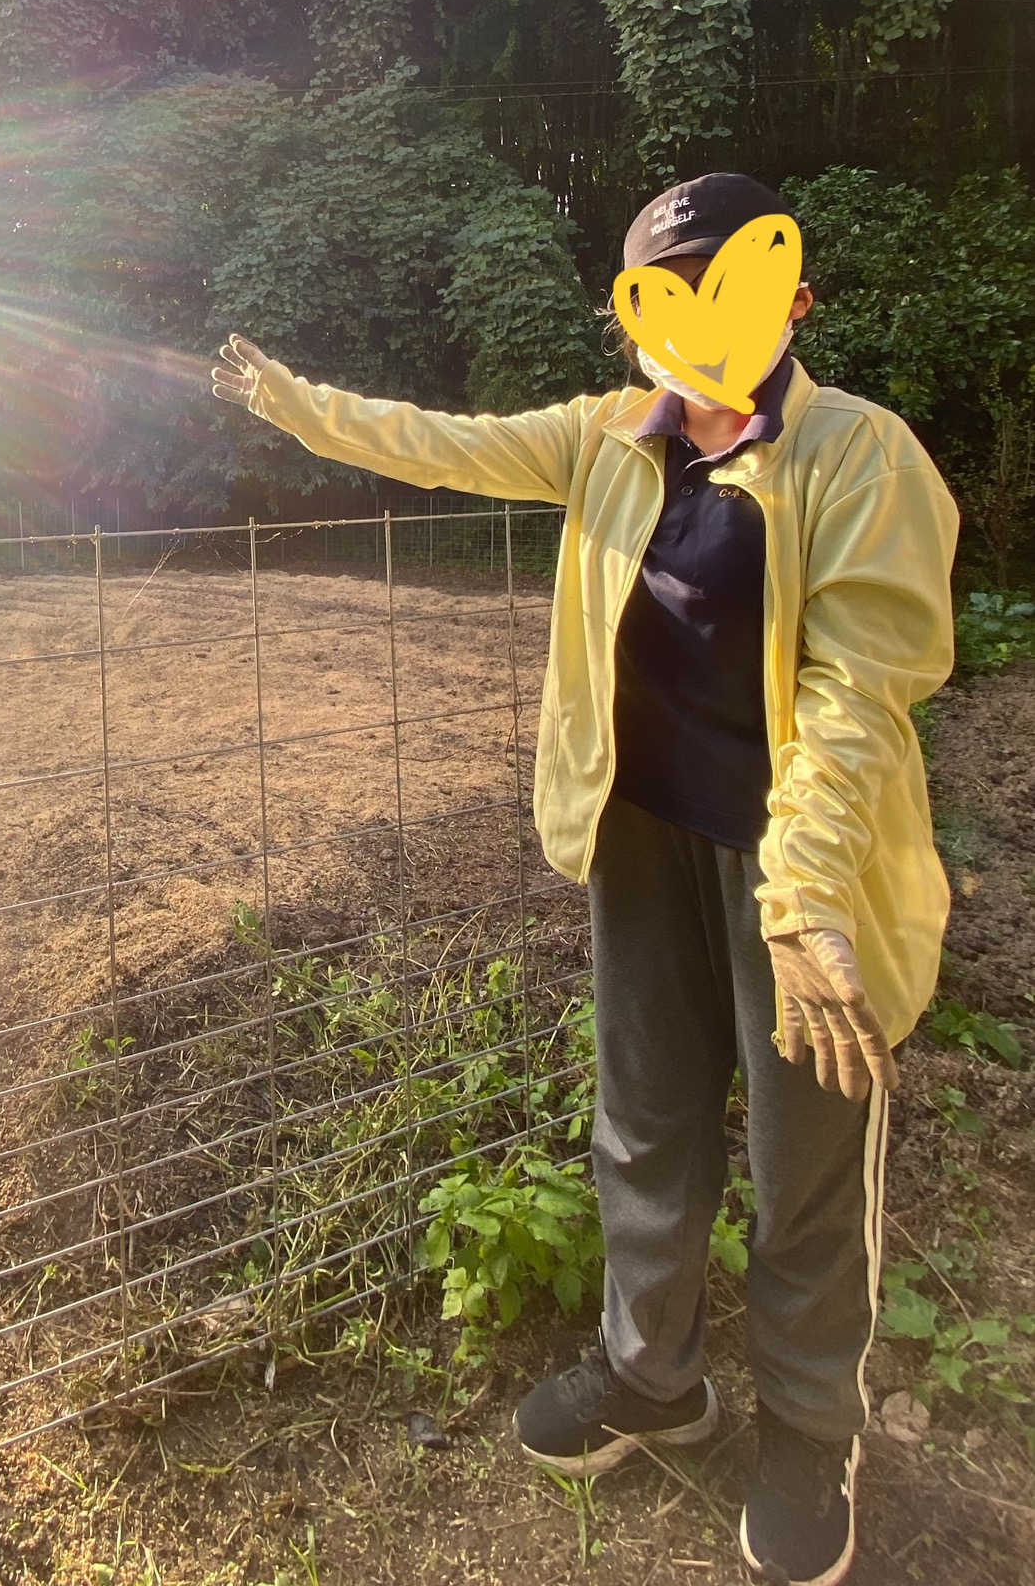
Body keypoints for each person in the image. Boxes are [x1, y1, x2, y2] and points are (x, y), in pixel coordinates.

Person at [211, 172, 958, 1586]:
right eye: (661, 300)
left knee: (805, 1163)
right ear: (636, 320)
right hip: (644, 843)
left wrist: (803, 897)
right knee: (645, 1123)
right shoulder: (611, 437)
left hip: (806, 868)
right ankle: (652, 1377)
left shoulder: (861, 456)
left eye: (725, 290)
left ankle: (812, 1435)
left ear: (793, 302)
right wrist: (299, 407)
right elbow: (442, 444)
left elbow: (861, 690)